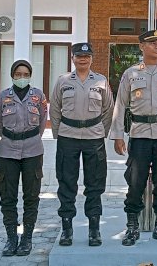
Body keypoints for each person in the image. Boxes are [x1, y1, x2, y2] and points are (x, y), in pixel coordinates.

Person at [109, 29, 157, 246]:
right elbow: (120, 105)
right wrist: (117, 135)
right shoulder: (131, 73)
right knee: (135, 183)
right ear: (141, 46)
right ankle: (132, 227)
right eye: (152, 43)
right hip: (139, 135)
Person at [50, 42, 114, 247]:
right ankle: (67, 229)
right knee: (66, 183)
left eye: (86, 56)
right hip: (68, 136)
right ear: (73, 58)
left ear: (92, 59)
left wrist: (100, 132)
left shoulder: (101, 81)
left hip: (93, 137)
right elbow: (55, 109)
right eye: (79, 56)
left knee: (94, 184)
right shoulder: (63, 81)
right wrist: (58, 133)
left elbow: (108, 110)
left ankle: (94, 229)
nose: (83, 59)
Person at [0, 59, 47, 256]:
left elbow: (41, 122)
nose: (22, 78)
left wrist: (28, 138)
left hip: (33, 149)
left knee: (31, 196)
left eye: (26, 74)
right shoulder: (1, 97)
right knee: (8, 196)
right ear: (12, 75)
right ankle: (11, 238)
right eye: (18, 74)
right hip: (8, 150)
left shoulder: (38, 96)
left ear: (30, 75)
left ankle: (27, 238)